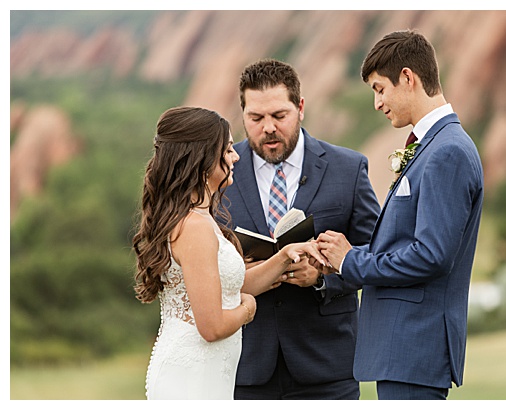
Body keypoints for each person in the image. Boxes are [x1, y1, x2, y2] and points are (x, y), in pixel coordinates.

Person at [315, 30, 484, 400]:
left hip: (414, 347)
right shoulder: (433, 146)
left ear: (408, 78)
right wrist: (335, 265)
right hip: (401, 351)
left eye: (379, 89)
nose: (377, 103)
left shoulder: (446, 151)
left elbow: (431, 255)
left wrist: (351, 260)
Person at [216, 59, 380, 399]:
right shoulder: (218, 174)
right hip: (243, 368)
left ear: (300, 108)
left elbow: (375, 256)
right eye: (256, 118)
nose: (268, 128)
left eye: (279, 116)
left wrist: (323, 276)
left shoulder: (348, 169)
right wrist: (235, 273)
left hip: (328, 367)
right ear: (242, 113)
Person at [135, 106, 325, 399]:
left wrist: (284, 256)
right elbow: (211, 326)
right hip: (191, 376)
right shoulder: (194, 227)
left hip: (207, 371)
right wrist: (248, 309)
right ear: (202, 158)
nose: (236, 155)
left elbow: (225, 289)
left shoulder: (200, 217)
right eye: (226, 150)